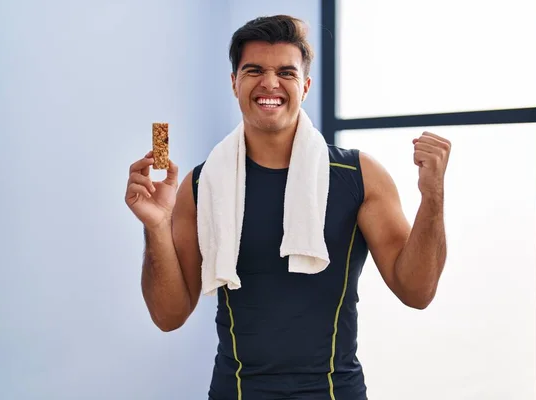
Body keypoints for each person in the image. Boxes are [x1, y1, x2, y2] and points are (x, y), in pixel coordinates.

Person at [125, 15, 450, 400]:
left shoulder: (359, 175)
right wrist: (157, 225)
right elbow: (168, 316)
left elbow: (417, 291)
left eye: (286, 72)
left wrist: (433, 199)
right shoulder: (202, 184)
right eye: (254, 70)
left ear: (306, 86)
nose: (269, 83)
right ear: (234, 83)